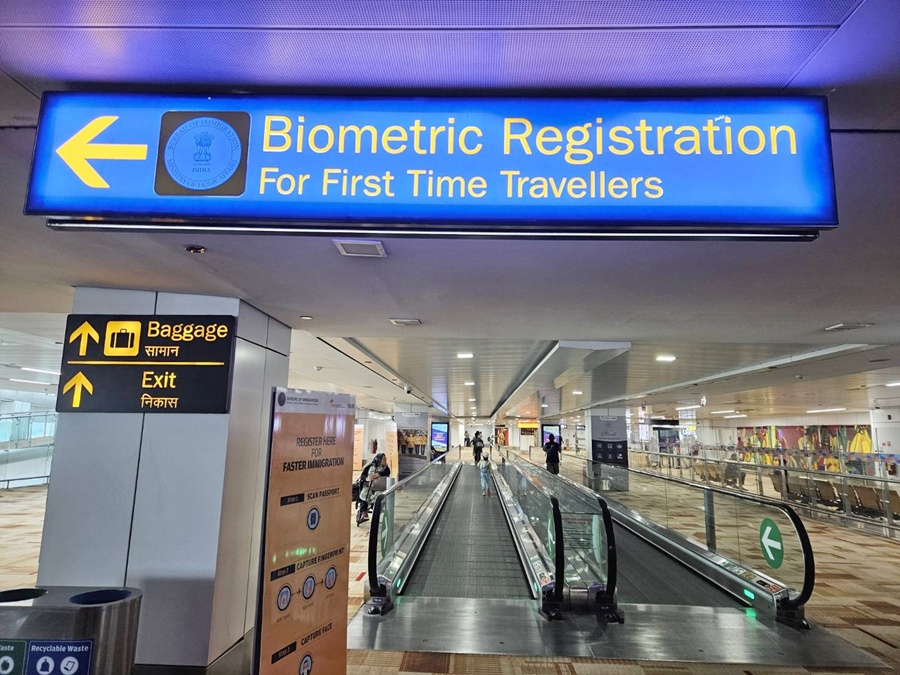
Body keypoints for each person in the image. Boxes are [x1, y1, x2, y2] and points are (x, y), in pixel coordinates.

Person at [356, 453, 390, 521]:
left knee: (379, 496)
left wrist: (379, 474)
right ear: (379, 460)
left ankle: (376, 510)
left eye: (385, 459)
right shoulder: (369, 466)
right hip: (368, 487)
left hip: (379, 487)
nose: (385, 460)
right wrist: (367, 479)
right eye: (383, 459)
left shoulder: (385, 468)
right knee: (365, 495)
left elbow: (387, 472)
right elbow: (362, 476)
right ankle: (363, 513)